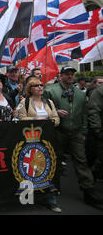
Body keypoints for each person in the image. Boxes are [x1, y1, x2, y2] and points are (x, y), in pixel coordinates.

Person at [43, 66, 103, 206]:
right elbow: (43, 108)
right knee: (55, 159)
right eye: (67, 74)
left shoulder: (80, 94)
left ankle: (88, 190)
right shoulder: (50, 91)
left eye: (72, 74)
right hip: (58, 131)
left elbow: (84, 113)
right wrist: (56, 112)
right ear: (61, 76)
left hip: (76, 132)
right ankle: (53, 187)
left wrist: (83, 131)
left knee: (81, 160)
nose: (70, 76)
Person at [17, 77, 61, 212]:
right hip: (31, 141)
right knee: (31, 168)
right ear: (30, 89)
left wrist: (48, 123)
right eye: (36, 86)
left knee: (48, 167)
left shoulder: (49, 102)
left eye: (41, 85)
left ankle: (50, 196)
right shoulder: (25, 102)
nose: (40, 87)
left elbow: (56, 118)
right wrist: (37, 120)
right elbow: (21, 118)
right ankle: (29, 195)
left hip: (47, 141)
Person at [87, 84, 103, 181]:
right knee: (100, 157)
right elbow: (94, 111)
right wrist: (97, 129)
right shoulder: (99, 92)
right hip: (101, 130)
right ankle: (93, 174)